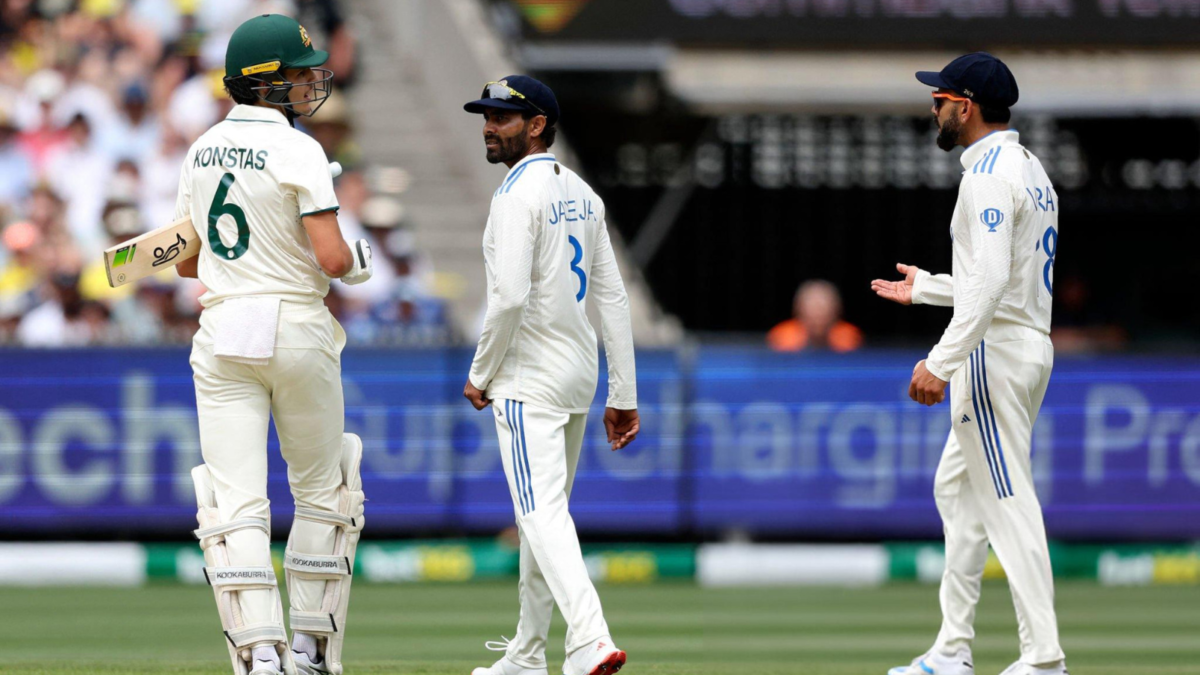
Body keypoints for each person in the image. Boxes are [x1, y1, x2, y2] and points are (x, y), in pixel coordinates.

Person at [173, 14, 372, 675]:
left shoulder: (199, 149)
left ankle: (259, 650)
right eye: (297, 71)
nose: (310, 79)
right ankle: (310, 648)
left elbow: (181, 261)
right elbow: (333, 260)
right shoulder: (298, 149)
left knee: (235, 501)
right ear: (266, 83)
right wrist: (359, 253)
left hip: (224, 325)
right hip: (293, 324)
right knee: (323, 489)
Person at [871, 53, 1066, 675]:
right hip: (1028, 341)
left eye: (940, 99)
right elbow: (1002, 280)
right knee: (956, 492)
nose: (933, 108)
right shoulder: (1030, 169)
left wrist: (942, 360)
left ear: (967, 105)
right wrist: (928, 288)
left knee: (1008, 501)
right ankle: (951, 650)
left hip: (996, 351)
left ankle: (1043, 658)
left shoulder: (985, 174)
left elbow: (987, 291)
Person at [462, 76, 638, 675]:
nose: (488, 126)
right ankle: (527, 654)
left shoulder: (516, 196)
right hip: (576, 374)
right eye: (486, 116)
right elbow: (611, 299)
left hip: (527, 374)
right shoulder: (584, 194)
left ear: (536, 125)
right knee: (544, 512)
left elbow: (509, 297)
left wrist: (481, 373)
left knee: (539, 514)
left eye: (502, 118)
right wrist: (624, 393)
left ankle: (589, 638)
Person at [766, 279, 863, 352]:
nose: (818, 313)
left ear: (837, 310)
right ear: (798, 309)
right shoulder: (782, 337)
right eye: (812, 306)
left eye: (823, 307)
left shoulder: (850, 337)